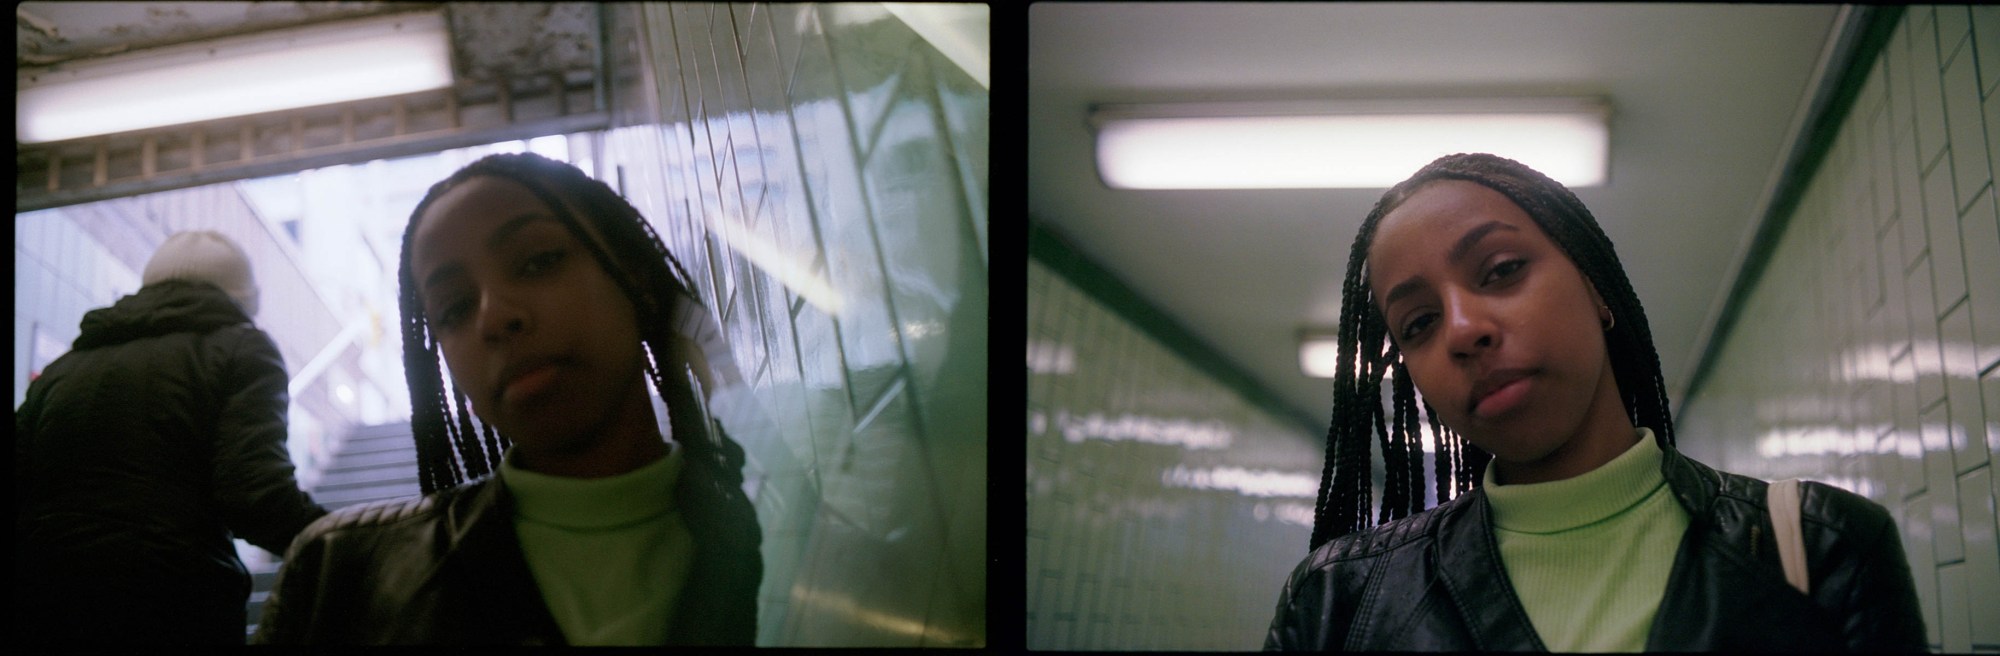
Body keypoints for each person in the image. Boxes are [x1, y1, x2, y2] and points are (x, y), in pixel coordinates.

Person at [1262, 153, 1926, 651]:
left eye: (1501, 271)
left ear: (1596, 288)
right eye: (1418, 324)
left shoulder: (1818, 547)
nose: (1463, 330)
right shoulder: (1336, 603)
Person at [252, 152, 762, 645]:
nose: (493, 318)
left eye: (539, 261)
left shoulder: (787, 531)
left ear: (636, 280)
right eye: (453, 309)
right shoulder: (336, 578)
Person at [15, 230, 329, 646]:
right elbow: (256, 496)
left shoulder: (63, 369)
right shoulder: (243, 350)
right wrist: (344, 540)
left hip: (40, 602)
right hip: (170, 603)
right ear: (242, 300)